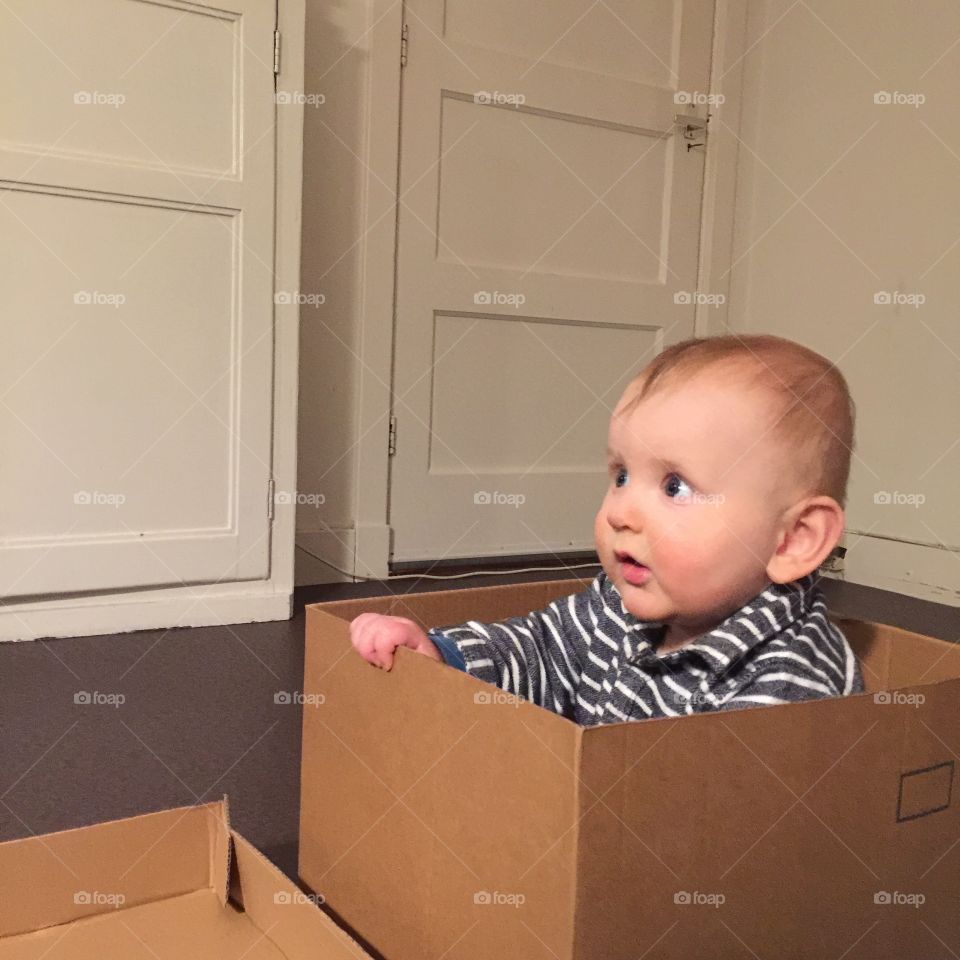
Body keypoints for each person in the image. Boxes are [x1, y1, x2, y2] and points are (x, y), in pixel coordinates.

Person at [350, 334, 864, 725]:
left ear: (794, 539)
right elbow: (541, 650)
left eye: (675, 487)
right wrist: (445, 656)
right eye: (621, 475)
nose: (621, 512)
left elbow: (721, 816)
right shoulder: (616, 605)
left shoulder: (792, 682)